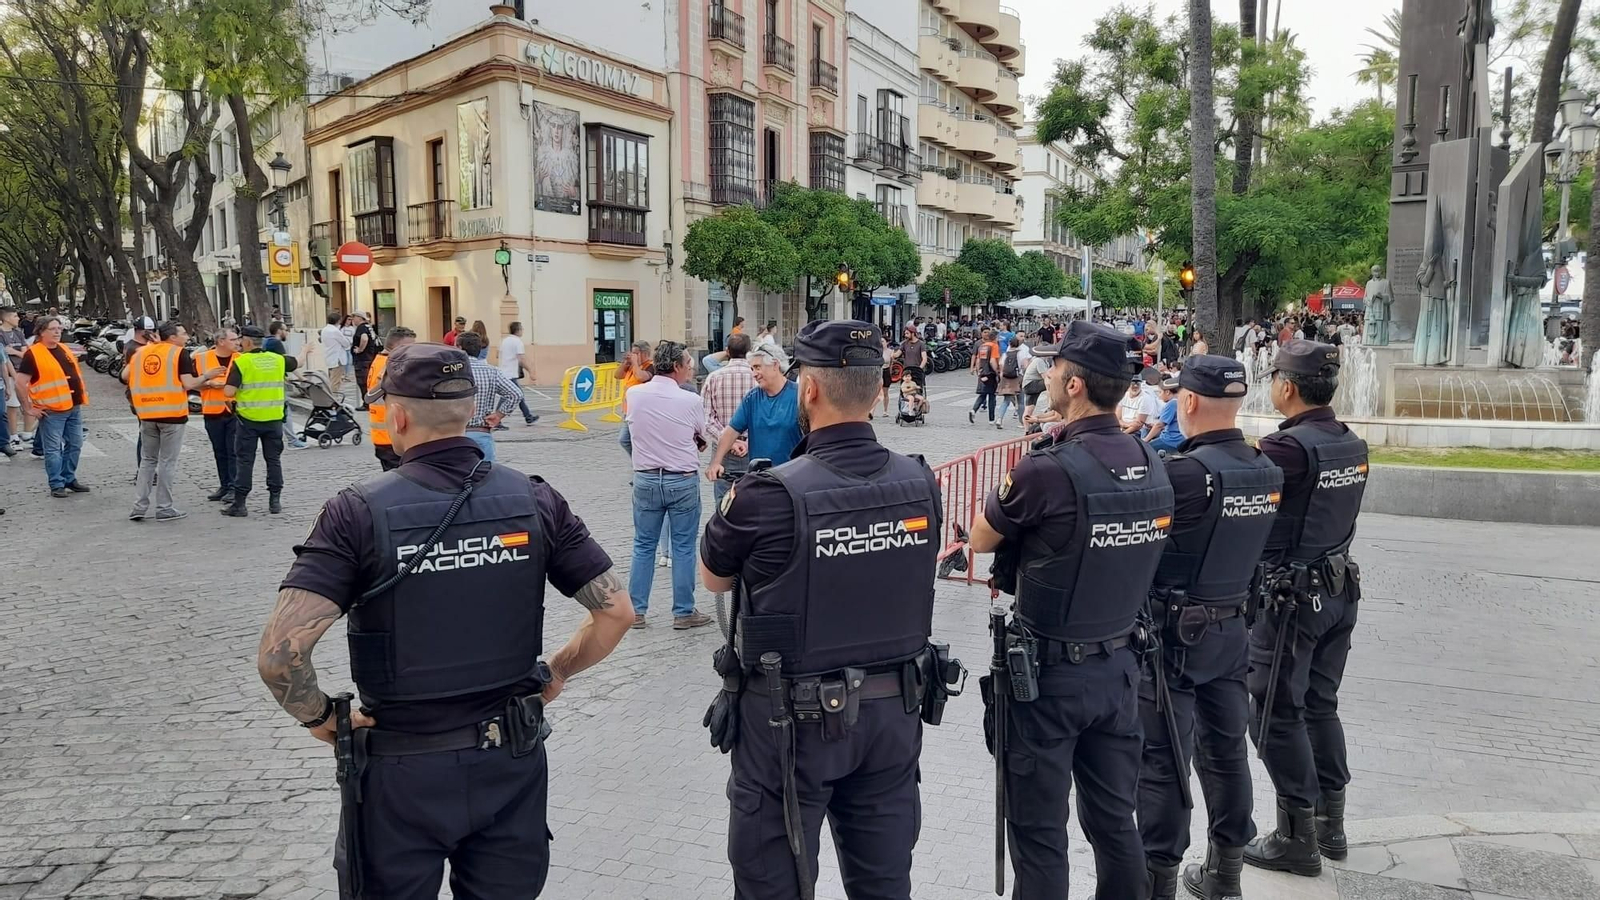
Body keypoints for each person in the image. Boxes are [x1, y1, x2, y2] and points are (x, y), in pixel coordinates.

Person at [258, 341, 635, 898]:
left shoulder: (356, 511)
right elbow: (615, 612)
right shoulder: (534, 500)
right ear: (472, 411)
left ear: (398, 415)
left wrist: (322, 719)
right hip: (510, 762)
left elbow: (279, 656)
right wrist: (554, 674)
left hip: (399, 775)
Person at [698, 319, 953, 900]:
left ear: (808, 391)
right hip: (893, 718)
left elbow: (714, 577)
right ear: (878, 390)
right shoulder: (920, 481)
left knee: (773, 884)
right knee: (885, 884)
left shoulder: (768, 493)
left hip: (790, 726)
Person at [966, 320, 1173, 899]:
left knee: (1038, 835)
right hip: (1120, 669)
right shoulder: (1150, 459)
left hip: (1050, 678)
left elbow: (982, 540)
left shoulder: (1046, 469)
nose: (1050, 373)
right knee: (1114, 822)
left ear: (1076, 385)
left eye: (1057, 367)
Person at [1136, 356, 1284, 900]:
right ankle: (1225, 872)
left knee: (1165, 761)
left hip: (1172, 639)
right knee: (1226, 754)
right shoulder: (1266, 468)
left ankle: (1159, 879)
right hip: (1231, 632)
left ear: (1189, 401)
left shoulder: (1182, 473)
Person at [1244, 340, 1368, 880]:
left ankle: (1296, 837)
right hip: (1339, 590)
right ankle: (1330, 825)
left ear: (1286, 387)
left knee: (1272, 710)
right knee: (1320, 703)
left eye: (1272, 377)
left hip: (1293, 598)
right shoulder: (1350, 442)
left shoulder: (1288, 449)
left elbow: (1240, 492)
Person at [623, 341, 714, 630]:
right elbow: (701, 436)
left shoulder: (634, 394)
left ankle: (636, 610)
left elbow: (627, 433)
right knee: (684, 546)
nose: (691, 368)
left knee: (643, 545)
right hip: (682, 480)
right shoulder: (690, 400)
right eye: (687, 363)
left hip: (646, 477)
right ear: (676, 367)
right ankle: (683, 611)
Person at [124, 322, 219, 522]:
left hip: (146, 413)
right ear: (173, 337)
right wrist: (207, 376)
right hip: (172, 414)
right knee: (167, 462)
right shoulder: (179, 353)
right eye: (183, 333)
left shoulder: (140, 352)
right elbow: (189, 383)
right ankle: (164, 508)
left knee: (147, 461)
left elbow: (124, 376)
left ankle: (139, 507)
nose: (186, 336)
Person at [222, 325, 297, 517]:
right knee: (273, 460)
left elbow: (229, 392)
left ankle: (240, 504)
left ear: (246, 341)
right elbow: (296, 363)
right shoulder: (277, 360)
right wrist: (305, 352)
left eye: (240, 340)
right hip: (274, 419)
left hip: (249, 420)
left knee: (245, 461)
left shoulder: (242, 362)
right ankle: (275, 501)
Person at [13, 317, 92, 498]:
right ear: (41, 331)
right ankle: (56, 483)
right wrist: (28, 408)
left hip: (73, 406)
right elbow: (20, 382)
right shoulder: (33, 354)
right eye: (53, 329)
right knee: (53, 449)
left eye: (59, 328)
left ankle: (68, 478)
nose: (58, 332)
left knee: (75, 444)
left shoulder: (64, 348)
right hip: (52, 410)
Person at [708, 347, 802, 483]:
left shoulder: (799, 396)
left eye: (758, 367)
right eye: (752, 369)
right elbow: (731, 431)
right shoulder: (752, 398)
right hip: (760, 478)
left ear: (775, 365)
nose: (754, 374)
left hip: (792, 478)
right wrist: (716, 462)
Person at [701, 332, 757, 507]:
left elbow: (706, 418)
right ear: (750, 352)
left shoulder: (714, 378)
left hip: (723, 451)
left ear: (727, 351)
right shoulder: (758, 377)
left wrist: (728, 441)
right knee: (755, 499)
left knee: (724, 503)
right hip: (754, 446)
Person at [454, 332, 525, 462]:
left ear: (459, 348)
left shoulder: (450, 372)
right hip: (480, 433)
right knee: (486, 478)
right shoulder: (492, 371)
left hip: (453, 435)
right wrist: (499, 415)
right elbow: (516, 394)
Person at [197, 328, 240, 503]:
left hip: (235, 411)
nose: (237, 342)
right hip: (212, 411)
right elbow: (193, 382)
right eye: (233, 339)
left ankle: (234, 488)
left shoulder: (241, 359)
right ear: (221, 341)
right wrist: (208, 383)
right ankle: (224, 485)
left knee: (233, 451)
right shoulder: (203, 359)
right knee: (219, 451)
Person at [366, 326, 416, 472]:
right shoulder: (390, 367)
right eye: (409, 347)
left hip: (384, 434)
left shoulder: (380, 361)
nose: (411, 352)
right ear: (398, 347)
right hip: (391, 435)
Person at [264, 321, 309, 450]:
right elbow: (291, 363)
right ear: (279, 331)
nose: (287, 332)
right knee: (284, 412)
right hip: (275, 384)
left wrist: (298, 378)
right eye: (285, 329)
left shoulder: (267, 341)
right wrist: (305, 350)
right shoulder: (276, 343)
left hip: (270, 381)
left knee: (277, 412)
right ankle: (292, 440)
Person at [616, 340, 654, 457]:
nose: (633, 356)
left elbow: (640, 377)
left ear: (644, 354)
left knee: (627, 439)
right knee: (627, 440)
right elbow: (618, 375)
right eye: (632, 353)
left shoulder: (651, 367)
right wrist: (625, 363)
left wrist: (635, 363)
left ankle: (641, 462)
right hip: (628, 410)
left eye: (635, 353)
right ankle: (639, 461)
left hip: (640, 410)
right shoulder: (631, 366)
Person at [498, 321, 539, 425]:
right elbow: (521, 359)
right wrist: (531, 371)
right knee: (509, 396)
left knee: (518, 395)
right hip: (510, 374)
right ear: (518, 330)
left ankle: (528, 416)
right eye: (522, 329)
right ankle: (496, 420)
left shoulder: (504, 341)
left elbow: (497, 355)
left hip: (503, 372)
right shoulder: (517, 342)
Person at [1, 306, 29, 453]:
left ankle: (26, 434)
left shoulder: (18, 333)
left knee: (25, 404)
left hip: (22, 373)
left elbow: (25, 354)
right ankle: (12, 436)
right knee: (11, 407)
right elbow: (4, 360)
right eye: (15, 316)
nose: (18, 318)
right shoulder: (0, 335)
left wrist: (14, 352)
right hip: (12, 375)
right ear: (6, 318)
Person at [1143, 376, 1186, 453]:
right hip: (1181, 439)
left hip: (1171, 440)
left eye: (1160, 392)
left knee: (1145, 450)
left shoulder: (1172, 403)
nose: (1159, 396)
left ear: (1167, 392)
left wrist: (1145, 440)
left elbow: (1159, 425)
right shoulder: (1182, 401)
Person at [969, 327, 1001, 425]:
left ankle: (974, 410)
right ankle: (991, 419)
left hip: (982, 372)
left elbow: (978, 360)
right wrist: (997, 371)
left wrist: (978, 370)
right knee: (992, 396)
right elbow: (992, 360)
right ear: (995, 338)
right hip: (990, 373)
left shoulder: (982, 346)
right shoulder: (994, 346)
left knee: (983, 394)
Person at [996, 335, 1026, 429]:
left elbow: (1001, 365)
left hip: (1006, 378)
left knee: (1006, 400)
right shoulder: (1020, 354)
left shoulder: (1006, 354)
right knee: (1020, 401)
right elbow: (1025, 365)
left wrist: (1001, 376)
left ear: (1009, 344)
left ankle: (999, 419)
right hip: (1017, 378)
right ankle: (1022, 422)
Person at [349, 312, 378, 410]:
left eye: (354, 317)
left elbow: (364, 339)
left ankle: (366, 404)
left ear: (360, 318)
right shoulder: (369, 327)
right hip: (370, 358)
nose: (353, 320)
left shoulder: (361, 328)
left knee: (363, 382)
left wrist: (360, 350)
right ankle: (370, 402)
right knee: (368, 382)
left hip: (362, 359)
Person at [320, 312, 350, 394]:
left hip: (330, 356)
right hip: (338, 358)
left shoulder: (325, 330)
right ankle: (333, 398)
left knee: (332, 378)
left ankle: (331, 396)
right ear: (338, 321)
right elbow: (345, 343)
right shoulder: (335, 331)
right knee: (336, 381)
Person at [900, 325, 928, 390]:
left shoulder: (921, 344)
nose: (905, 335)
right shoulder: (904, 344)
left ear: (913, 333)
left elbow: (924, 358)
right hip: (907, 370)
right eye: (905, 333)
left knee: (918, 389)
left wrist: (920, 368)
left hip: (917, 370)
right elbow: (897, 354)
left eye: (907, 333)